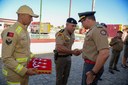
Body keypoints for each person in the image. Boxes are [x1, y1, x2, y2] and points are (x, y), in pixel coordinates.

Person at [1, 5, 39, 85]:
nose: (32, 19)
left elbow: (23, 50)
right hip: (15, 75)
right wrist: (25, 71)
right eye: (30, 17)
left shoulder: (24, 31)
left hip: (24, 72)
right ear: (21, 15)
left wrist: (33, 57)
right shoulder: (12, 32)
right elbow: (6, 58)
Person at [78, 11, 109, 85]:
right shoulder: (93, 30)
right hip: (90, 65)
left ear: (87, 20)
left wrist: (92, 72)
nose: (82, 24)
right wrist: (81, 51)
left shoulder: (98, 29)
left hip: (92, 66)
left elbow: (105, 53)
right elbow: (93, 47)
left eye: (82, 22)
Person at [54, 17, 81, 85]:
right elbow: (59, 47)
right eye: (72, 25)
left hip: (68, 57)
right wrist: (72, 52)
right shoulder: (61, 33)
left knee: (66, 76)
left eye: (75, 26)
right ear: (66, 25)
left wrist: (76, 51)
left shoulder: (72, 34)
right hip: (60, 58)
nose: (74, 27)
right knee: (59, 77)